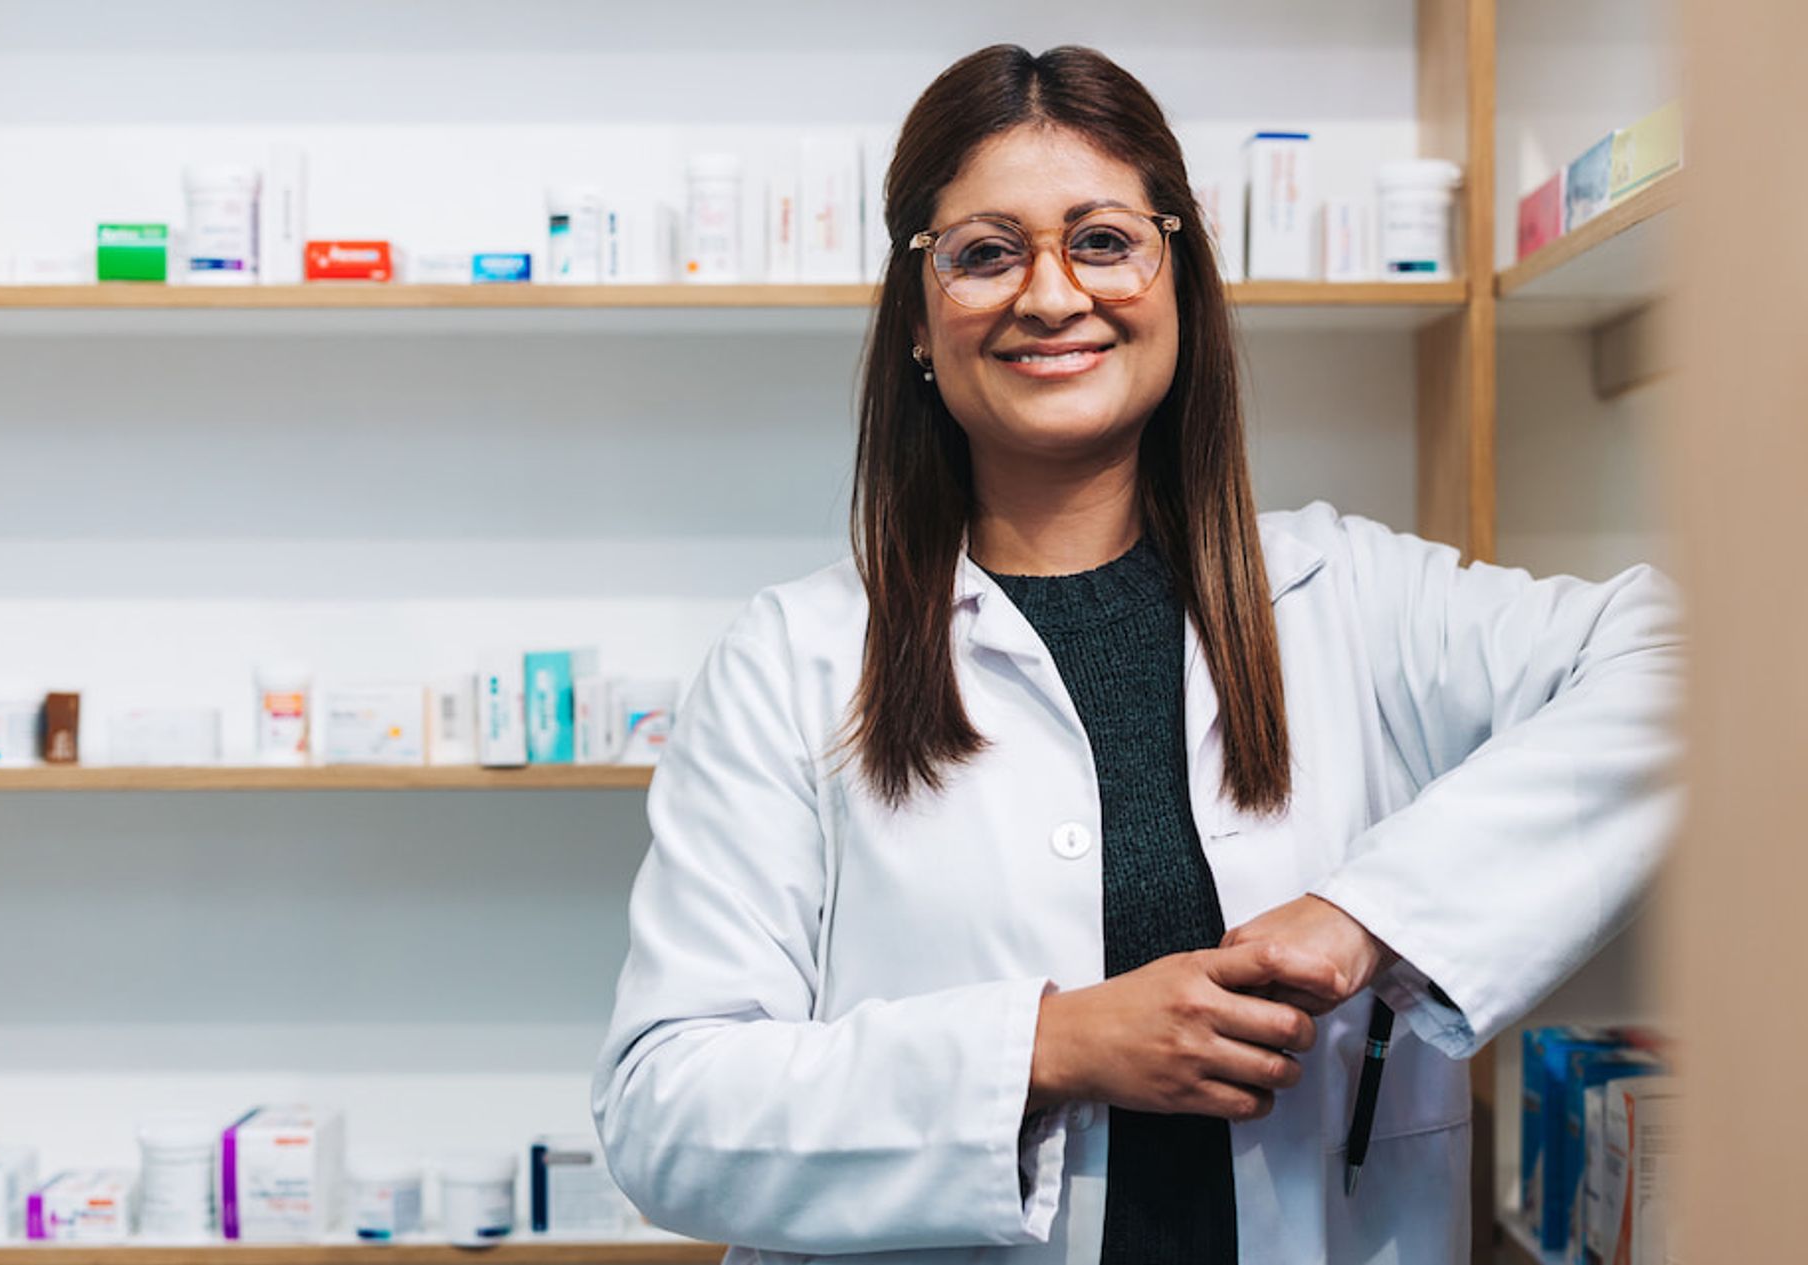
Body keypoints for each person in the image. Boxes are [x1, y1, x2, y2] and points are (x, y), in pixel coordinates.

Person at [591, 43, 1680, 1265]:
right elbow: (664, 1110)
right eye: (986, 252)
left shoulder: (1355, 597)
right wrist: (1054, 1046)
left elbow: (1704, 660)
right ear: (916, 318)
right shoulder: (792, 658)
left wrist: (1368, 914)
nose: (1052, 295)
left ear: (1180, 281)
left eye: (1103, 240)